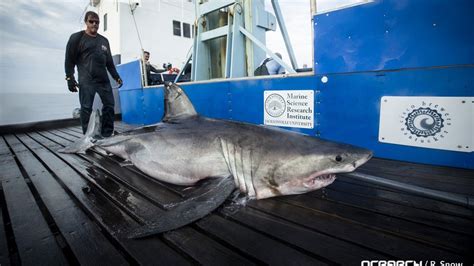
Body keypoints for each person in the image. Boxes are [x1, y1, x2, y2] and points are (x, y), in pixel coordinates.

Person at [65, 11, 122, 137]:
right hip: (86, 81)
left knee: (109, 105)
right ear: (86, 22)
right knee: (86, 108)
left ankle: (107, 133)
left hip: (103, 81)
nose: (94, 24)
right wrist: (70, 78)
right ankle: (87, 136)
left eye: (97, 22)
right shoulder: (76, 38)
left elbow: (109, 63)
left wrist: (116, 77)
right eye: (91, 21)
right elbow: (69, 60)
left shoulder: (104, 41)